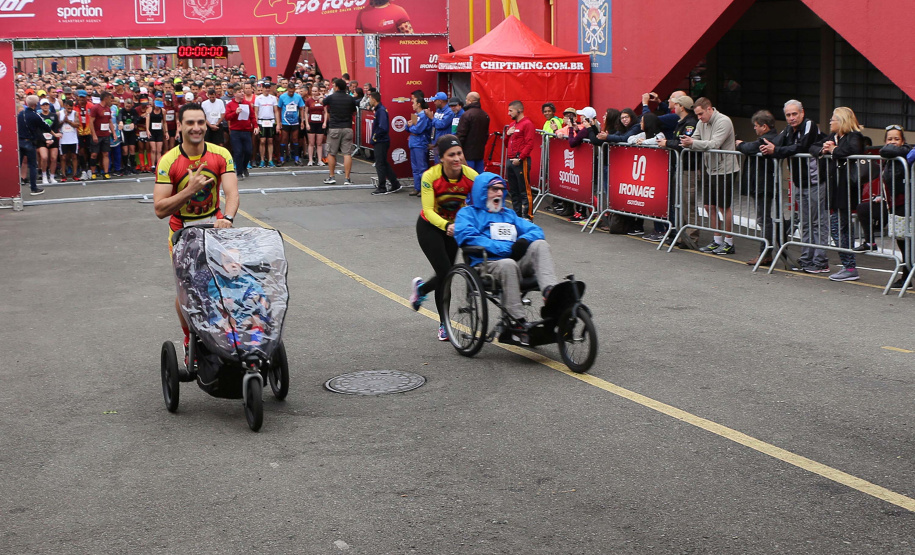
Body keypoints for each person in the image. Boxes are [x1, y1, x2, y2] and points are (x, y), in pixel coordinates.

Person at [153, 102, 240, 365]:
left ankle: (231, 333)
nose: (196, 128)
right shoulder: (169, 161)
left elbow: (232, 193)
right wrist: (189, 190)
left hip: (215, 226)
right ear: (179, 126)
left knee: (229, 281)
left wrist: (228, 217)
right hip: (182, 231)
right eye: (190, 123)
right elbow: (159, 209)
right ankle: (189, 337)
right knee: (187, 290)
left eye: (200, 122)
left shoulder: (220, 153)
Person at [454, 172, 561, 345]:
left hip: (514, 262)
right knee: (508, 263)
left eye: (502, 190)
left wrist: (523, 241)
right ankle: (517, 323)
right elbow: (468, 237)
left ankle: (551, 294)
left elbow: (537, 230)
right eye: (494, 189)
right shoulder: (467, 214)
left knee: (540, 244)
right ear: (482, 191)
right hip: (486, 265)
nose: (499, 193)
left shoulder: (508, 214)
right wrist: (506, 249)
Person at [409, 136, 479, 341]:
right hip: (430, 227)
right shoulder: (430, 177)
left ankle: (422, 289)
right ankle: (444, 324)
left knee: (446, 274)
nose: (457, 158)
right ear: (441, 158)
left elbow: (482, 200)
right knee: (446, 273)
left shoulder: (470, 175)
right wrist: (446, 225)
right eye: (451, 155)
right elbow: (428, 210)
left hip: (454, 228)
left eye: (459, 153)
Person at [760, 100, 828, 273]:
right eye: (788, 115)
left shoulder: (809, 125)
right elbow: (776, 142)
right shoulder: (788, 129)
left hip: (816, 182)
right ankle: (806, 258)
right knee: (805, 222)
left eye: (794, 114)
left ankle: (820, 261)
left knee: (818, 222)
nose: (791, 118)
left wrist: (777, 150)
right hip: (799, 183)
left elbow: (801, 146)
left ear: (802, 113)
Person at [811, 106, 866, 282]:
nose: (830, 122)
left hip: (847, 189)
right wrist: (824, 149)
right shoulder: (833, 137)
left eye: (833, 119)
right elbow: (813, 147)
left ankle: (849, 267)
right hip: (834, 189)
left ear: (842, 121)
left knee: (837, 228)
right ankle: (848, 266)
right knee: (840, 228)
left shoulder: (854, 136)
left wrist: (833, 150)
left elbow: (852, 151)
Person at [680, 97, 739, 255]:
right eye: (697, 115)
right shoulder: (701, 123)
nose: (699, 118)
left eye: (701, 114)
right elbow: (697, 139)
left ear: (709, 109)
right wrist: (688, 142)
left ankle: (729, 242)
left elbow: (714, 144)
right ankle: (717, 239)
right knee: (708, 206)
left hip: (725, 169)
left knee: (723, 207)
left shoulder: (723, 121)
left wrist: (692, 143)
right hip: (709, 168)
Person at [650, 95, 699, 245]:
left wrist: (667, 143)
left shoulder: (690, 123)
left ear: (682, 107)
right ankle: (681, 234)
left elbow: (683, 143)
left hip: (688, 167)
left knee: (687, 203)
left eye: (676, 105)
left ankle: (691, 237)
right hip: (679, 166)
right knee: (679, 203)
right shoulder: (681, 122)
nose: (673, 108)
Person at [736, 110, 780, 265]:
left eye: (756, 126)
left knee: (764, 219)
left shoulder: (769, 139)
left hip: (764, 184)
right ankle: (766, 251)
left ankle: (766, 252)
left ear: (764, 126)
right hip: (760, 184)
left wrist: (740, 144)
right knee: (763, 218)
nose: (754, 128)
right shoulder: (768, 138)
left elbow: (750, 148)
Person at [17, 94, 57, 196]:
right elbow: (46, 126)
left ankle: (12, 188)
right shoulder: (35, 115)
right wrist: (55, 134)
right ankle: (34, 188)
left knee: (18, 165)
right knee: (32, 165)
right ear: (36, 104)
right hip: (30, 142)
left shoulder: (20, 114)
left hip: (20, 141)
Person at [322, 78, 357, 185]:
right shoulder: (350, 98)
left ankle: (332, 176)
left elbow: (323, 102)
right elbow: (354, 112)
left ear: (336, 87)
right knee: (347, 153)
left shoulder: (331, 97)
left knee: (331, 153)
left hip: (334, 127)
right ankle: (347, 178)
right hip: (347, 127)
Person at [505, 100, 536, 220]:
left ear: (519, 110)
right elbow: (507, 144)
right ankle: (516, 215)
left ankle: (528, 216)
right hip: (510, 160)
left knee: (524, 189)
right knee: (513, 190)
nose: (509, 113)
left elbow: (529, 144)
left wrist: (520, 158)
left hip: (520, 160)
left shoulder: (527, 124)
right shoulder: (512, 125)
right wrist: (507, 134)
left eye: (510, 111)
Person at [367, 91, 403, 195]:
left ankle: (382, 187)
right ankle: (395, 183)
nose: (369, 100)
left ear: (374, 99)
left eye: (370, 98)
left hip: (381, 141)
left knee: (380, 164)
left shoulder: (381, 111)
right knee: (383, 163)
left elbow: (383, 127)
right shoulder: (379, 110)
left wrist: (375, 137)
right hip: (381, 140)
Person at [225, 84, 258, 180]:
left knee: (248, 151)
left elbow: (252, 116)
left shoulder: (247, 104)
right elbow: (227, 117)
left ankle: (244, 167)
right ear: (235, 94)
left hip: (246, 131)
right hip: (236, 131)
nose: (242, 93)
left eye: (242, 92)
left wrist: (255, 126)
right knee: (238, 152)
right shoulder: (230, 105)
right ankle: (239, 172)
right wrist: (235, 113)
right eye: (240, 92)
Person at [455, 91, 489, 173]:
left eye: (466, 99)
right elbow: (486, 135)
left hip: (467, 154)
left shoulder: (466, 115)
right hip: (480, 153)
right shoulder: (485, 115)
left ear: (470, 101)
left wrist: (458, 151)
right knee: (479, 177)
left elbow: (461, 134)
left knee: (468, 177)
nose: (465, 101)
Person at [406, 90, 432, 196]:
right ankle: (417, 188)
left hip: (420, 144)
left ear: (419, 104)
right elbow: (408, 128)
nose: (412, 104)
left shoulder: (424, 116)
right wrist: (409, 126)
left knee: (422, 168)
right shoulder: (415, 115)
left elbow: (418, 130)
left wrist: (410, 126)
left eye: (413, 102)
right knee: (415, 168)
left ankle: (424, 189)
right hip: (413, 143)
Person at [88, 92, 115, 179]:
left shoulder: (108, 109)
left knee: (106, 153)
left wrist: (114, 133)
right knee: (94, 154)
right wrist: (94, 135)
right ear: (106, 98)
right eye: (110, 99)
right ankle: (93, 172)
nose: (111, 100)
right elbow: (91, 122)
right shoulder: (95, 108)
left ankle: (106, 172)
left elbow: (110, 121)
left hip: (106, 134)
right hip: (97, 135)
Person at [277, 85, 305, 166]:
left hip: (295, 122)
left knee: (295, 139)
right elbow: (279, 109)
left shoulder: (298, 97)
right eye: (290, 91)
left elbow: (301, 108)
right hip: (285, 122)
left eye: (293, 91)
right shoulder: (282, 97)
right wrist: (279, 122)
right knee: (284, 139)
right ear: (287, 90)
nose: (291, 93)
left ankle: (296, 159)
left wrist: (302, 121)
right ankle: (282, 158)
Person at [427, 92, 455, 164]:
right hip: (436, 141)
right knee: (437, 164)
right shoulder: (438, 110)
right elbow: (434, 125)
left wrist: (432, 117)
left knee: (443, 163)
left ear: (440, 101)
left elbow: (441, 125)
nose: (434, 102)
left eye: (435, 100)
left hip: (443, 142)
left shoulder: (449, 112)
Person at [254, 84, 279, 167]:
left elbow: (276, 111)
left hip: (271, 121)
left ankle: (270, 160)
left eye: (268, 88)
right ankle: (262, 160)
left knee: (270, 141)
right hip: (261, 122)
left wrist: (278, 123)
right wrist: (256, 124)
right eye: (265, 88)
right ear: (263, 88)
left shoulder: (273, 98)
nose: (267, 90)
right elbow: (256, 112)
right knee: (262, 141)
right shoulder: (258, 98)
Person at [37, 99, 59, 184]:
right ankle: (44, 176)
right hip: (42, 139)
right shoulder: (38, 116)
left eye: (47, 104)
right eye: (43, 105)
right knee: (44, 157)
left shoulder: (54, 115)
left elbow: (55, 128)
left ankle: (52, 176)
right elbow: (38, 130)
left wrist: (52, 139)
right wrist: (45, 140)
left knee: (53, 158)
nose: (45, 106)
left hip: (52, 139)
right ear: (41, 106)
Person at [58, 99, 80, 182]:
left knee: (74, 156)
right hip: (63, 139)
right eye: (68, 108)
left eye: (71, 108)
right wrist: (63, 120)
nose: (70, 110)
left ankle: (75, 174)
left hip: (73, 139)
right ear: (65, 106)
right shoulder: (59, 113)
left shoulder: (75, 113)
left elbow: (77, 125)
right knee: (63, 157)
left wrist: (68, 121)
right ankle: (63, 175)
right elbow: (57, 125)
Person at [304, 85, 326, 166]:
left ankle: (319, 160)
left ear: (318, 91)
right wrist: (307, 123)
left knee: (319, 143)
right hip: (311, 123)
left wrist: (324, 122)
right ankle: (310, 160)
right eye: (313, 91)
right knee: (311, 143)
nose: (314, 93)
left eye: (315, 91)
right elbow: (306, 113)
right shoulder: (308, 101)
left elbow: (325, 112)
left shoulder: (322, 101)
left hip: (320, 123)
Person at [146, 97, 168, 174]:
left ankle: (158, 165)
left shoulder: (163, 111)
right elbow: (147, 120)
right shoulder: (149, 110)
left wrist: (166, 132)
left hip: (159, 132)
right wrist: (147, 130)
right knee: (153, 149)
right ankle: (152, 165)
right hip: (152, 131)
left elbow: (164, 122)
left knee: (159, 150)